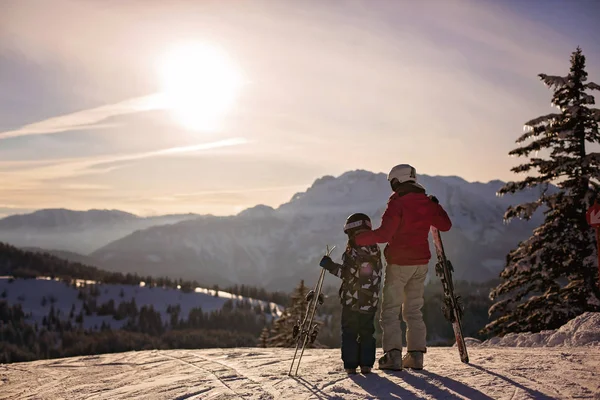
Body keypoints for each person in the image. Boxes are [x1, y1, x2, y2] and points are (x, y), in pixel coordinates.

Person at [354, 164, 452, 371]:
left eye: (392, 182)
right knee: (413, 310)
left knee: (390, 311)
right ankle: (415, 357)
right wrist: (436, 205)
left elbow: (384, 235)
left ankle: (393, 356)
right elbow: (445, 225)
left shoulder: (397, 203)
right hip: (421, 264)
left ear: (397, 180)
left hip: (399, 263)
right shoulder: (426, 202)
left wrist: (359, 239)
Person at [319, 213, 383, 375]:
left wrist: (330, 266)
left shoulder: (355, 250)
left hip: (353, 301)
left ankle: (351, 365)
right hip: (370, 300)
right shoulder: (375, 248)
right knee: (367, 332)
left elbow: (349, 274)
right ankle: (366, 364)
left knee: (350, 332)